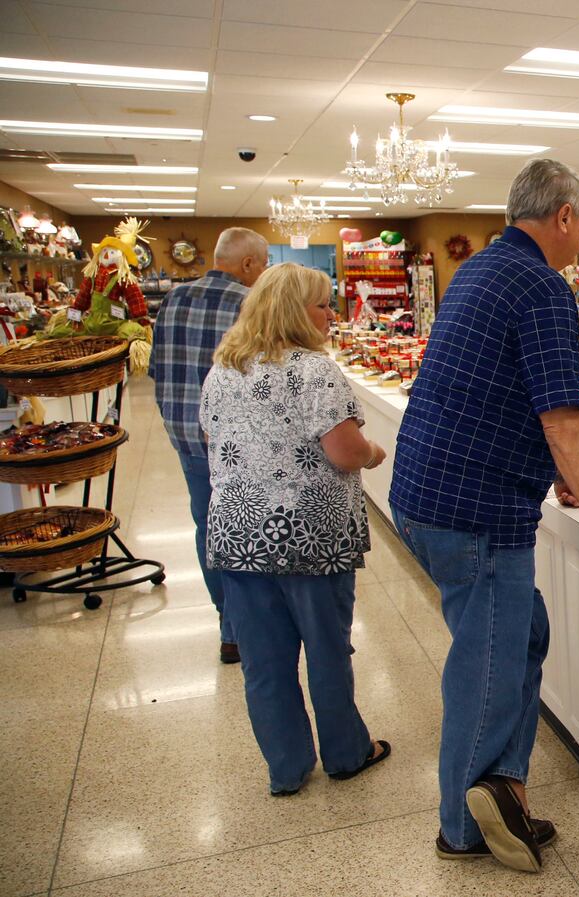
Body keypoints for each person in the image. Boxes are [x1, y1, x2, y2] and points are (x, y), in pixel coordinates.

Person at [389, 158, 579, 873]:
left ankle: (500, 789)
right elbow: (565, 424)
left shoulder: (481, 268)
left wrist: (566, 477)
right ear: (567, 217)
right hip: (474, 509)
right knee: (486, 664)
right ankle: (464, 824)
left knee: (523, 634)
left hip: (424, 492)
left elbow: (499, 393)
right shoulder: (543, 286)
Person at [200, 263, 389, 796]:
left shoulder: (223, 370)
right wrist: (375, 453)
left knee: (264, 662)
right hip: (310, 536)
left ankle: (286, 769)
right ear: (293, 312)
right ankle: (346, 753)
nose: (333, 314)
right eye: (324, 305)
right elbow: (345, 451)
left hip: (238, 533)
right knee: (327, 650)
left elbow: (214, 446)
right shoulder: (314, 371)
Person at [151, 226, 269, 665]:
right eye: (265, 262)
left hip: (183, 431)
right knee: (244, 525)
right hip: (235, 439)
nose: (265, 271)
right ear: (247, 265)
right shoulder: (250, 304)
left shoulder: (173, 299)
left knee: (208, 525)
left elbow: (156, 369)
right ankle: (242, 626)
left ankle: (229, 624)